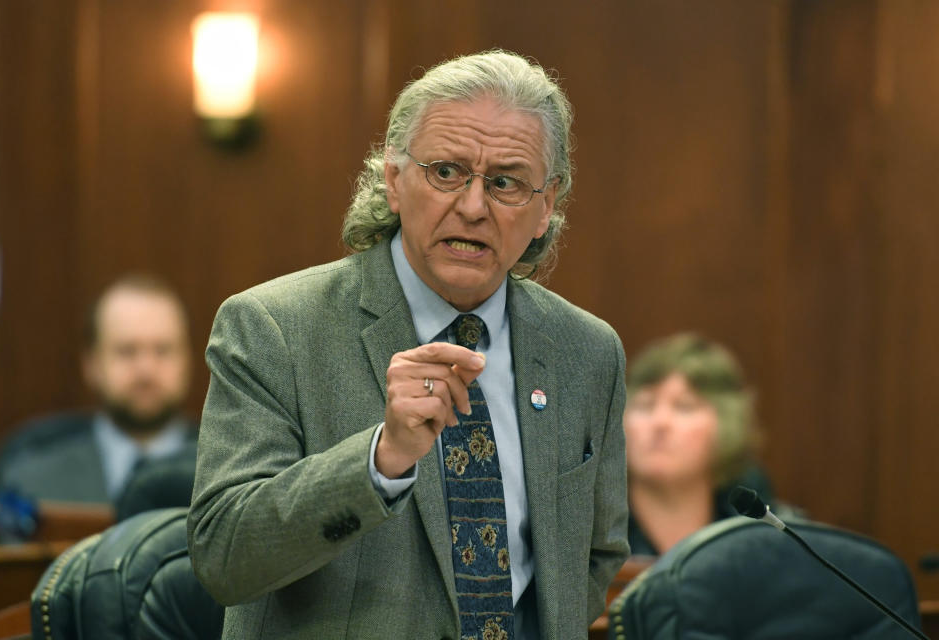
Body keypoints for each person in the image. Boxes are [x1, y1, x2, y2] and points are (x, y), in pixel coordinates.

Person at [188, 50, 629, 640]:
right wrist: (379, 459)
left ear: (545, 207)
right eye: (445, 172)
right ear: (394, 181)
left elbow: (596, 554)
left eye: (505, 183)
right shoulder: (273, 328)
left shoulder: (587, 351)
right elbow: (223, 556)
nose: (473, 208)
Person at [0, 274, 197, 505]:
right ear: (92, 365)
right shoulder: (30, 484)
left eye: (163, 350)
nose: (146, 370)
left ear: (187, 361)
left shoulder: (232, 478)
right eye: (126, 351)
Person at [622, 332, 771, 556]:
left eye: (685, 407)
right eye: (645, 405)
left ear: (727, 424)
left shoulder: (766, 533)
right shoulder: (583, 529)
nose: (660, 422)